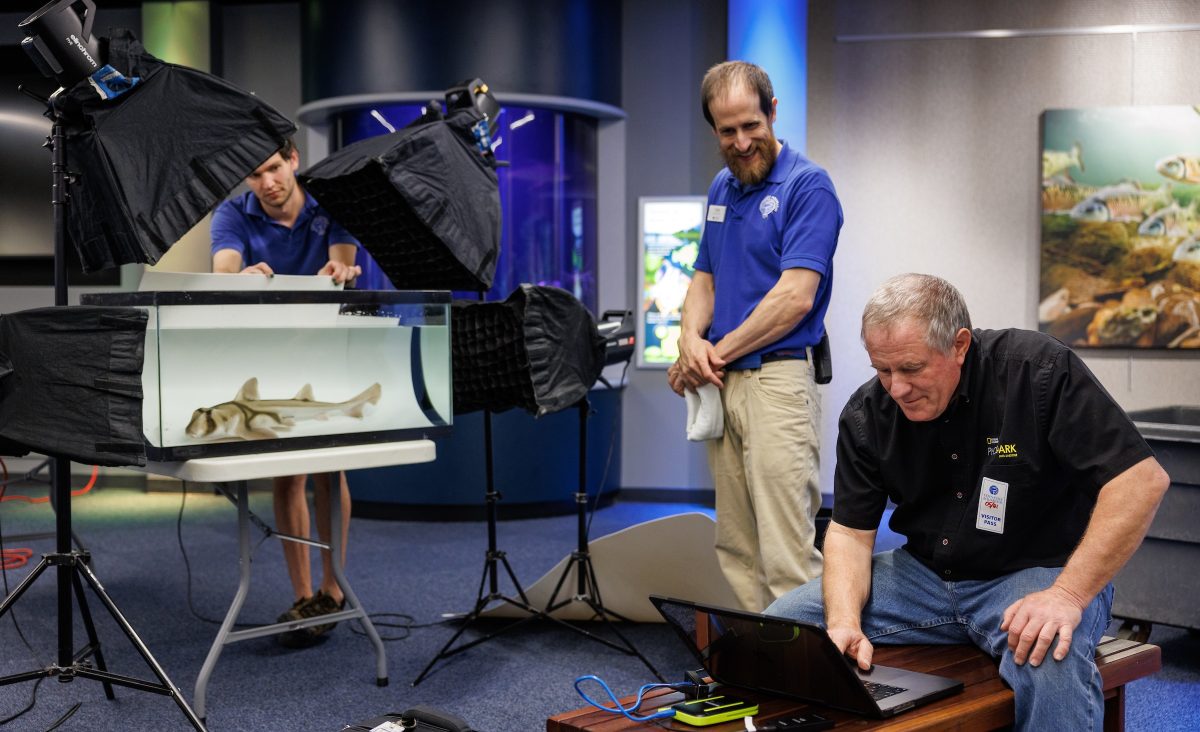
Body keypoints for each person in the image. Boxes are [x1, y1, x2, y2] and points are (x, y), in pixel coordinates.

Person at [766, 273, 1170, 731]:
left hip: (1035, 576)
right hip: (921, 579)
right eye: (882, 369)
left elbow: (1141, 481)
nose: (896, 388)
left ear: (959, 346)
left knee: (1048, 660)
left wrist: (1068, 595)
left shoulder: (1037, 372)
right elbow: (850, 534)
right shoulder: (867, 413)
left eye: (912, 368)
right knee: (781, 631)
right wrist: (843, 622)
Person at [667, 60, 843, 611]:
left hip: (777, 382)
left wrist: (709, 353)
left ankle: (807, 683)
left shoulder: (808, 186)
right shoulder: (721, 187)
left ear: (772, 112)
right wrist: (687, 341)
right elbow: (704, 280)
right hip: (723, 382)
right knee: (736, 546)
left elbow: (794, 298)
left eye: (751, 125)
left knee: (787, 551)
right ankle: (762, 675)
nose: (741, 142)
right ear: (714, 130)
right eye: (727, 131)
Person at [210, 138, 386, 647]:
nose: (266, 182)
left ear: (292, 160)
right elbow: (223, 272)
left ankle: (333, 590)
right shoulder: (233, 215)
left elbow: (340, 263)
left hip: (331, 344)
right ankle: (304, 595)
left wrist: (340, 271)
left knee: (332, 470)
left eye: (272, 168)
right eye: (254, 175)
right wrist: (239, 278)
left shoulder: (330, 204)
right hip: (273, 353)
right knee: (288, 476)